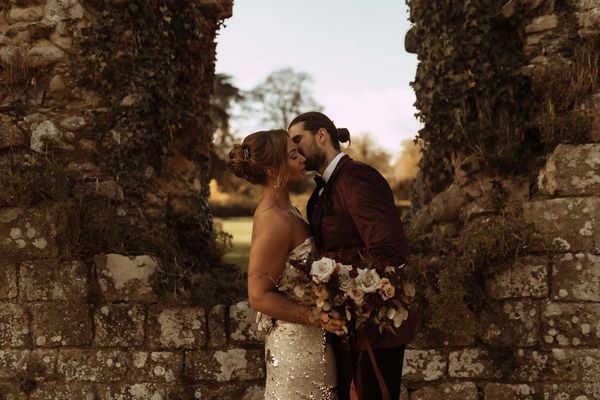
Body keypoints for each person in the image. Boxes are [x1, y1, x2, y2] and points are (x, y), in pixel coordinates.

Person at [288, 112, 416, 400]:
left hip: (373, 330)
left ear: (322, 135)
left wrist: (340, 283)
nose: (294, 150)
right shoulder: (321, 192)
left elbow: (390, 252)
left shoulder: (358, 177)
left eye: (298, 140)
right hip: (345, 328)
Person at [228, 129, 346, 400]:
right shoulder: (274, 220)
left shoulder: (289, 211)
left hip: (314, 343)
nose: (302, 158)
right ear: (272, 169)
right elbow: (259, 296)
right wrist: (319, 319)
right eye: (293, 156)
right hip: (296, 352)